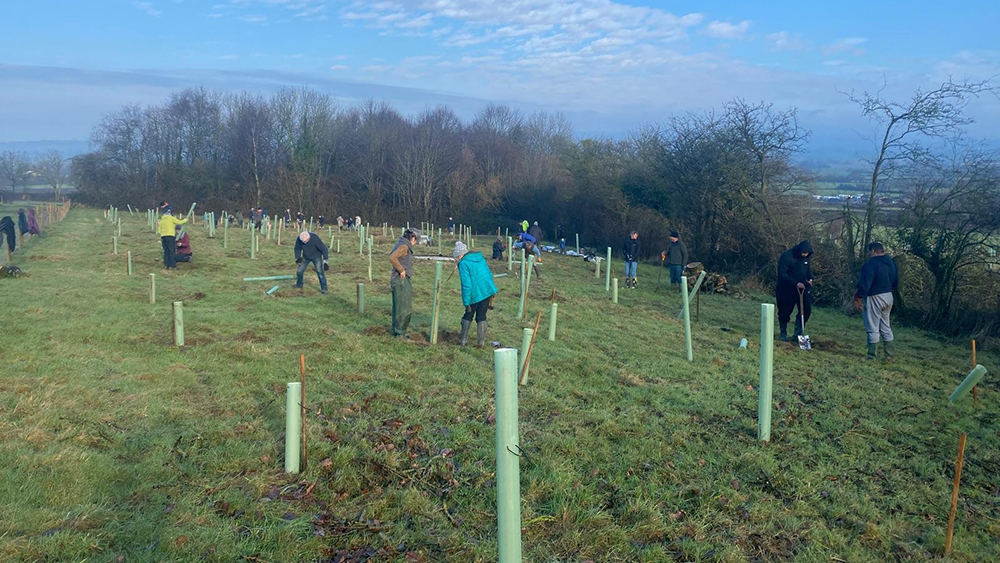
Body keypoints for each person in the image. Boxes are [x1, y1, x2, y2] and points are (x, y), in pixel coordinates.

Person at [854, 242, 898, 360]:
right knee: (885, 326)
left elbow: (866, 281)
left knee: (872, 326)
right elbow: (895, 280)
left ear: (873, 251)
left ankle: (871, 355)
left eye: (869, 252)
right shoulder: (891, 262)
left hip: (875, 296)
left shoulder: (871, 264)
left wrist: (860, 296)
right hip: (889, 295)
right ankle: (889, 355)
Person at [454, 241, 498, 346]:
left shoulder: (463, 263)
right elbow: (488, 274)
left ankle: (463, 341)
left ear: (460, 255)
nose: (455, 260)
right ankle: (481, 343)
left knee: (468, 315)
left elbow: (466, 284)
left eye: (455, 258)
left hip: (476, 293)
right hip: (487, 291)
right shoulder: (480, 258)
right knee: (482, 316)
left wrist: (466, 303)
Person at [775, 240, 814, 342]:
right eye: (804, 253)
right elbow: (782, 274)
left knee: (806, 309)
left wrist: (810, 279)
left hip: (803, 288)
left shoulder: (806, 259)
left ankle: (798, 333)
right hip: (786, 288)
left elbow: (807, 271)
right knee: (785, 310)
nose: (805, 255)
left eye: (807, 254)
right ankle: (783, 332)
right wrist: (795, 283)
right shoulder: (787, 256)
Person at [388, 229, 418, 339]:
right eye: (416, 241)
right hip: (401, 280)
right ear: (413, 238)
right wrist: (401, 270)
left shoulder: (401, 243)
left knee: (399, 305)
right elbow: (392, 257)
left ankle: (397, 331)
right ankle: (400, 333)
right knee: (404, 306)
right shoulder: (404, 246)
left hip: (399, 279)